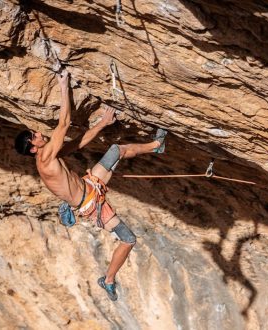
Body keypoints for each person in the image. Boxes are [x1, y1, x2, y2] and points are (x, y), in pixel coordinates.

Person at [14, 70, 167, 301]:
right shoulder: (44, 159)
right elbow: (64, 123)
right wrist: (63, 85)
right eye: (33, 136)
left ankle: (157, 145)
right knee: (129, 239)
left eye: (33, 132)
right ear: (33, 148)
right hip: (91, 206)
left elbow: (77, 144)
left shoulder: (50, 155)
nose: (37, 133)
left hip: (91, 185)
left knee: (117, 150)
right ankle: (107, 280)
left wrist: (102, 123)